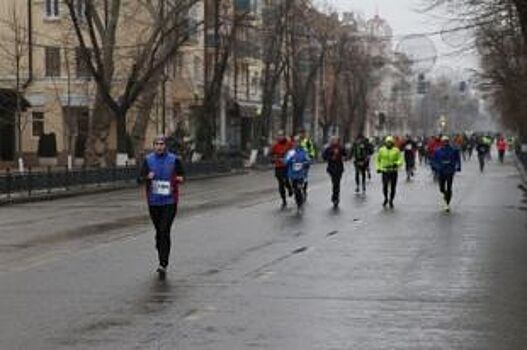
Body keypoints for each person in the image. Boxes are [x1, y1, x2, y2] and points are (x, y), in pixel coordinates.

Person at [139, 135, 185, 280]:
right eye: (157, 144)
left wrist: (179, 178)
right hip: (153, 201)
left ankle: (163, 264)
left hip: (170, 201)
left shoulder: (174, 159)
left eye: (161, 144)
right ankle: (159, 243)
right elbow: (139, 178)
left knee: (165, 230)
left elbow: (182, 175)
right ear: (154, 146)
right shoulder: (148, 160)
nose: (159, 146)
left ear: (165, 146)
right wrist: (147, 177)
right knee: (159, 232)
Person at [431, 136, 461, 212]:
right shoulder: (438, 151)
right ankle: (445, 194)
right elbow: (433, 160)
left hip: (450, 171)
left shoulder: (454, 150)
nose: (445, 143)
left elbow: (458, 159)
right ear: (442, 142)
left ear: (448, 142)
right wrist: (435, 167)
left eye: (447, 141)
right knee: (441, 188)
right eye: (444, 141)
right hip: (441, 171)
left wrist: (458, 167)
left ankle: (447, 203)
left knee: (449, 187)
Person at [375, 136, 403, 209]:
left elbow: (400, 159)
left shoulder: (396, 150)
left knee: (393, 187)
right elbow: (378, 160)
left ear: (392, 143)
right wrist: (378, 168)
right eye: (387, 143)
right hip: (385, 171)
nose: (389, 144)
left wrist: (396, 163)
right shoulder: (381, 150)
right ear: (385, 143)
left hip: (393, 171)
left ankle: (391, 200)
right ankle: (385, 198)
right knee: (385, 186)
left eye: (390, 143)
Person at [285, 137, 311, 212]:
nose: (296, 143)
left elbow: (308, 161)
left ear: (300, 143)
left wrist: (304, 163)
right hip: (292, 175)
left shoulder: (304, 152)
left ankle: (300, 204)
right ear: (293, 143)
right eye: (295, 142)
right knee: (295, 190)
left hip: (300, 174)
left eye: (298, 142)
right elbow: (285, 161)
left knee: (298, 188)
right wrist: (291, 161)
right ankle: (299, 201)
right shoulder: (290, 152)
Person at [323, 136, 347, 208]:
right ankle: (335, 197)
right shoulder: (328, 148)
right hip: (332, 168)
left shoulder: (340, 147)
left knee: (337, 183)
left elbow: (345, 154)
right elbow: (324, 157)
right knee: (334, 183)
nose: (334, 141)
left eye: (335, 140)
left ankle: (335, 198)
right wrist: (330, 158)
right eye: (333, 140)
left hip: (339, 168)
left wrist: (344, 155)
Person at [271, 131, 294, 209]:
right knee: (281, 183)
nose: (279, 137)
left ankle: (290, 188)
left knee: (286, 180)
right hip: (278, 166)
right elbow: (271, 155)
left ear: (284, 136)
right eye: (278, 136)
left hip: (286, 166)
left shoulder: (289, 144)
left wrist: (286, 158)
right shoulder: (275, 145)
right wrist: (274, 158)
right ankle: (284, 200)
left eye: (281, 135)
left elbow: (293, 153)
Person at [298, 128, 316, 199]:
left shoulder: (307, 141)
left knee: (304, 176)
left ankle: (304, 190)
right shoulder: (297, 141)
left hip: (305, 162)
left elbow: (312, 150)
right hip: (297, 162)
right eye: (300, 133)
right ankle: (299, 189)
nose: (301, 134)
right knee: (297, 176)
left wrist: (310, 157)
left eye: (303, 133)